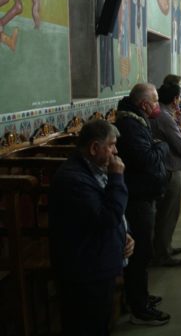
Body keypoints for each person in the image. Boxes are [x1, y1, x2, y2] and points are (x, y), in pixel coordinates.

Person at [49, 119, 134, 336]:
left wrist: (125, 234)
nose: (116, 151)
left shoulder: (91, 168)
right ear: (95, 147)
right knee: (88, 325)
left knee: (100, 321)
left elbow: (110, 211)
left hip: (96, 261)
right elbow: (107, 217)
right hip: (85, 271)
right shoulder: (73, 179)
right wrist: (117, 177)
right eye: (112, 145)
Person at [114, 83, 171, 325]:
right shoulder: (130, 124)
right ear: (144, 104)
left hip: (142, 193)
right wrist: (162, 145)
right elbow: (147, 158)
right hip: (136, 197)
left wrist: (156, 145)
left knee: (143, 250)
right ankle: (139, 307)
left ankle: (140, 296)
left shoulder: (136, 119)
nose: (157, 104)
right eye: (155, 100)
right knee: (140, 253)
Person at [150, 83, 181, 267]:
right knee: (168, 213)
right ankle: (162, 253)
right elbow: (178, 140)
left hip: (169, 165)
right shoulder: (163, 115)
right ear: (175, 98)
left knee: (169, 212)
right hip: (171, 167)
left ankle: (165, 246)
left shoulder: (163, 112)